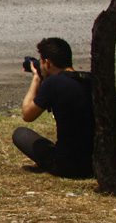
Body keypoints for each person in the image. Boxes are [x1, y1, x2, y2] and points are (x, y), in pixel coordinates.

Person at [12, 37, 95, 179]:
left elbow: (27, 114)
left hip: (67, 165)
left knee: (20, 134)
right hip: (96, 162)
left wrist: (36, 78)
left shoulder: (53, 83)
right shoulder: (90, 80)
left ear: (48, 63)